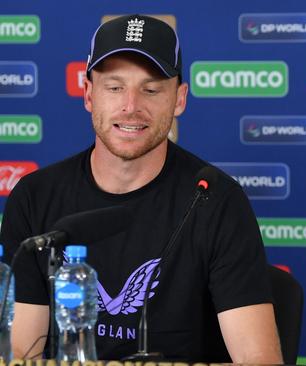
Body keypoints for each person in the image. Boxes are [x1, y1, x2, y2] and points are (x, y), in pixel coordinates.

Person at [0, 14, 282, 363]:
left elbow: (260, 360)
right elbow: (21, 354)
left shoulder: (215, 199)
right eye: (115, 87)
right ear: (89, 94)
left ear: (179, 100)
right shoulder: (34, 197)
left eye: (151, 89)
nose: (131, 107)